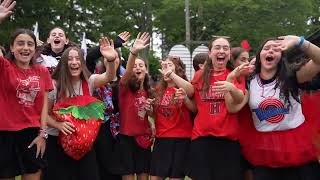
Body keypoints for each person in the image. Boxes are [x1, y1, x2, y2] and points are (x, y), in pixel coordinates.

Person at [226, 36, 320, 180]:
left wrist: (299, 42)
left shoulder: (292, 77)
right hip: (264, 149)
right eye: (266, 48)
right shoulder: (250, 81)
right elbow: (232, 108)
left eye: (276, 49)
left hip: (296, 146)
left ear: (281, 57)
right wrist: (231, 78)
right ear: (259, 56)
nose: (271, 51)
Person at [44, 37, 117, 180]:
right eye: (70, 59)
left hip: (84, 145)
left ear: (82, 63)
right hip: (56, 144)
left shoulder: (89, 82)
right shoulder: (54, 85)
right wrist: (58, 125)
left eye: (77, 59)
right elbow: (44, 115)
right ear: (64, 64)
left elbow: (109, 76)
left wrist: (110, 60)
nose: (74, 62)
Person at [0, 2, 53, 180]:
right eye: (20, 43)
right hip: (4, 133)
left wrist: (43, 134)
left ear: (35, 49)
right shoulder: (4, 67)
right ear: (12, 48)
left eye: (30, 44)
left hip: (32, 134)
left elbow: (44, 105)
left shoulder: (42, 71)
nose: (25, 48)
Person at [188, 37, 246, 180]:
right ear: (210, 53)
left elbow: (239, 100)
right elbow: (194, 104)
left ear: (229, 55)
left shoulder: (235, 75)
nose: (221, 51)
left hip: (228, 139)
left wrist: (231, 87)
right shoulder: (199, 75)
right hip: (202, 138)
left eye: (225, 48)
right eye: (217, 48)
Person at [148, 56, 195, 180]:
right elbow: (157, 115)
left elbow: (194, 109)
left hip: (180, 140)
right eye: (164, 66)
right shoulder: (158, 90)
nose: (166, 69)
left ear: (177, 70)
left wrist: (185, 99)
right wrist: (149, 110)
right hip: (161, 139)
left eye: (170, 65)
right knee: (154, 177)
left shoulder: (184, 87)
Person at [115, 32, 152, 180]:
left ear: (146, 69)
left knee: (144, 175)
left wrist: (151, 112)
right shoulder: (125, 88)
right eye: (135, 66)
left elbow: (153, 116)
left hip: (143, 139)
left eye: (141, 65)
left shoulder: (151, 92)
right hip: (126, 140)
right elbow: (128, 71)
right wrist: (134, 53)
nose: (138, 68)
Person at [93, 48, 123, 180]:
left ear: (120, 60)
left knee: (117, 168)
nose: (113, 59)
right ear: (104, 60)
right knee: (102, 165)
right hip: (101, 127)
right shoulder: (96, 79)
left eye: (116, 57)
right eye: (109, 57)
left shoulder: (125, 80)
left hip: (120, 129)